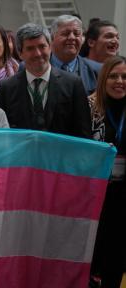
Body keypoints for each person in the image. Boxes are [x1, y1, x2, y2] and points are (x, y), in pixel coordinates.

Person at [0, 23, 91, 138]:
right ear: (20, 53)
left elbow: (84, 132)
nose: (38, 54)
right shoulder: (7, 87)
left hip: (61, 155)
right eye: (30, 48)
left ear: (50, 48)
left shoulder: (73, 84)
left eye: (42, 46)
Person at [88, 55, 126, 288]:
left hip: (124, 194)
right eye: (113, 76)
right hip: (96, 192)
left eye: (124, 76)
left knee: (118, 251)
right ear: (103, 79)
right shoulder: (90, 106)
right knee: (94, 249)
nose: (119, 81)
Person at [50, 15, 102, 95]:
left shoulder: (97, 70)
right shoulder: (31, 68)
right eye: (65, 33)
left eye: (76, 34)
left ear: (82, 39)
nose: (71, 37)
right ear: (52, 37)